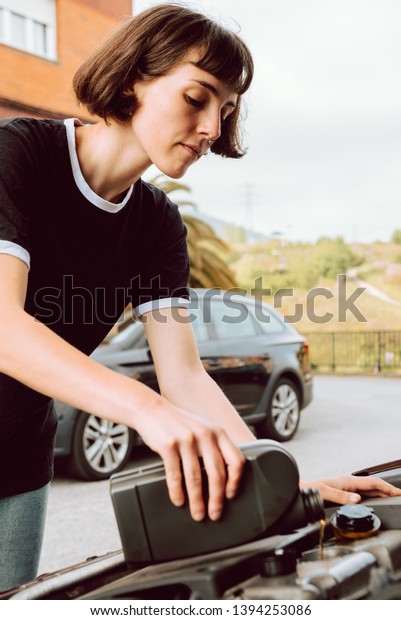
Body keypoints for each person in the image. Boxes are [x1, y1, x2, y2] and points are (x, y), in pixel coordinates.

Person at [0, 3, 399, 592]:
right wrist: (146, 410)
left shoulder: (157, 221)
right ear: (136, 75)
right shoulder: (20, 154)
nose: (213, 127)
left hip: (17, 458)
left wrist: (283, 482)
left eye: (227, 109)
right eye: (198, 97)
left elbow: (183, 377)